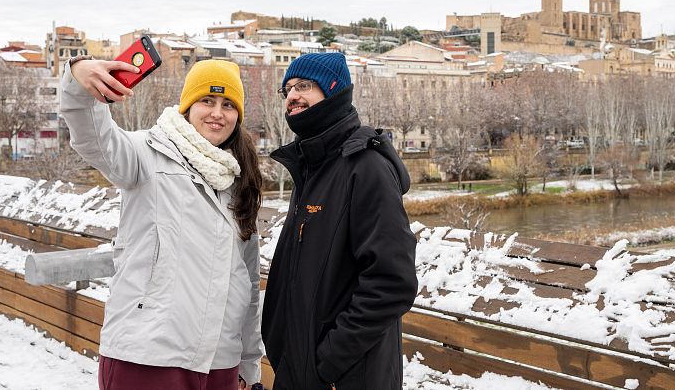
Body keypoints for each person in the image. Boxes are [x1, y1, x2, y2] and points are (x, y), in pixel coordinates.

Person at [60, 56, 264, 390]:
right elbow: (92, 138)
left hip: (220, 363)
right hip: (149, 357)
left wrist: (248, 363)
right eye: (207, 101)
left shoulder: (239, 181)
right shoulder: (146, 154)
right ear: (188, 106)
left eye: (228, 105)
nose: (218, 113)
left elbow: (248, 285)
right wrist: (79, 80)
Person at [262, 53, 418, 389]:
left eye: (304, 86)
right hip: (300, 369)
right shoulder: (312, 166)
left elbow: (392, 282)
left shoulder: (366, 167)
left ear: (334, 91)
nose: (292, 96)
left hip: (345, 377)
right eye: (287, 89)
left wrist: (330, 361)